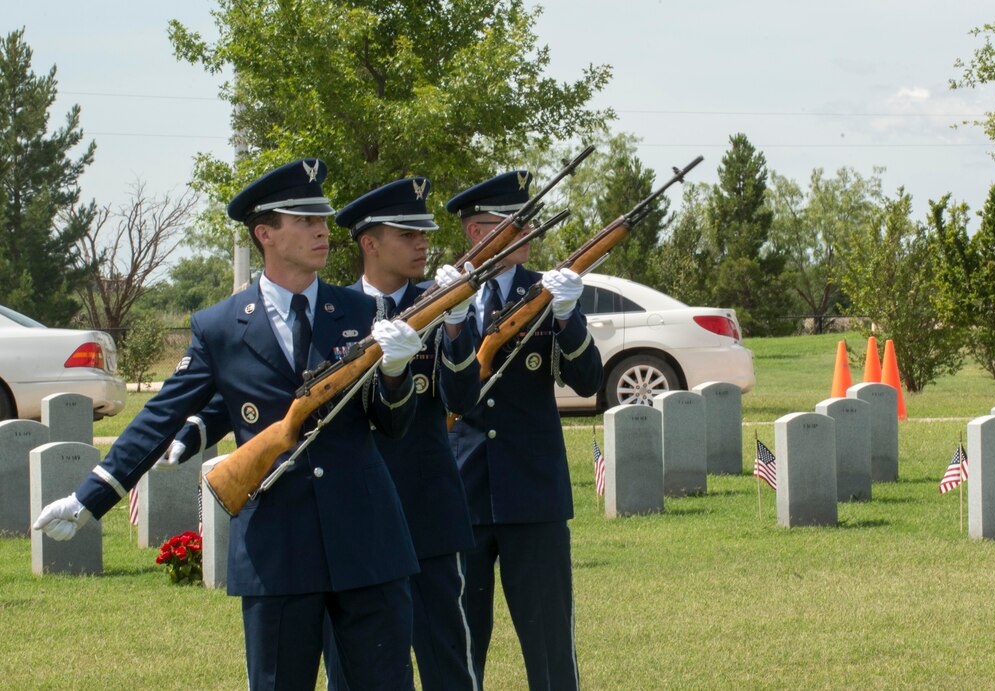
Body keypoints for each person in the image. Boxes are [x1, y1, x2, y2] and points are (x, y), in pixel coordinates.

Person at [33, 159, 424, 690]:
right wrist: (89, 498)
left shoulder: (359, 310)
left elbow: (391, 425)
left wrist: (396, 373)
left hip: (367, 539)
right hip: (277, 549)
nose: (321, 231)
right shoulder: (219, 325)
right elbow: (159, 417)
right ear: (265, 233)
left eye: (323, 220)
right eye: (304, 221)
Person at [446, 171, 603, 689]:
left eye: (529, 225)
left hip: (533, 495)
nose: (528, 235)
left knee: (550, 645)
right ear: (477, 233)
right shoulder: (440, 298)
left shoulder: (547, 292)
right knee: (461, 645)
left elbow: (588, 381)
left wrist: (566, 317)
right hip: (460, 495)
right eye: (514, 225)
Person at [321, 177, 481, 689]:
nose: (422, 243)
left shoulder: (443, 303)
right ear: (369, 243)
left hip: (424, 507)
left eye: (424, 232)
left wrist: (456, 326)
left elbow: (463, 400)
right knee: (354, 668)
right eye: (407, 233)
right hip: (354, 515)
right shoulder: (331, 313)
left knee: (445, 660)